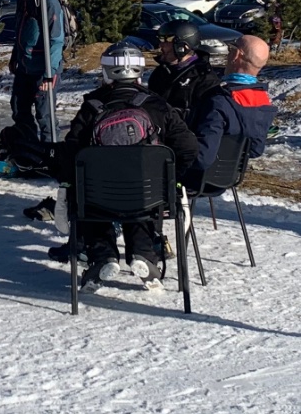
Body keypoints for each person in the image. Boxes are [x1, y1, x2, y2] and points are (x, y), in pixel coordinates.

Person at [58, 44, 201, 287]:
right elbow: (188, 147)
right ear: (139, 72)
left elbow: (71, 151)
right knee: (143, 198)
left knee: (89, 199)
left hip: (99, 195)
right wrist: (169, 177)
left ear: (106, 71)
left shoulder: (92, 106)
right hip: (149, 194)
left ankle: (103, 256)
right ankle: (144, 254)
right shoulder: (157, 105)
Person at [191, 35, 276, 184]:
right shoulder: (263, 100)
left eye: (230, 49)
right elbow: (255, 150)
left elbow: (202, 158)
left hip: (197, 179)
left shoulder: (219, 101)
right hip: (230, 177)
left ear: (236, 55)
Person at [9, 0, 66, 143]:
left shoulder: (49, 2)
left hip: (44, 69)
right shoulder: (23, 0)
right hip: (24, 67)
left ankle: (51, 151)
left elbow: (56, 39)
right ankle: (29, 148)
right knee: (19, 110)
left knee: (45, 114)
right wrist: (14, 57)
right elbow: (20, 32)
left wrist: (49, 73)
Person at [148, 18, 221, 115]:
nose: (161, 45)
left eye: (167, 40)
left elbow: (206, 115)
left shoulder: (204, 78)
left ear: (183, 46)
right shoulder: (160, 72)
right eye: (161, 39)